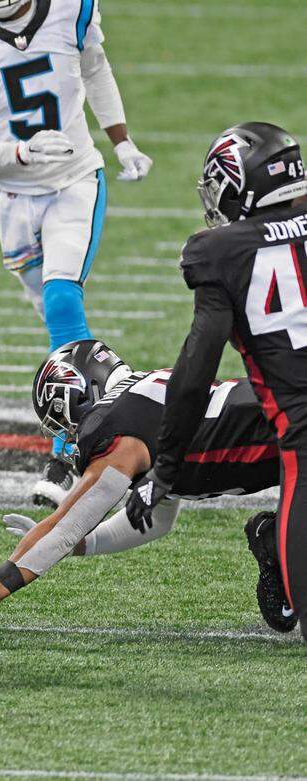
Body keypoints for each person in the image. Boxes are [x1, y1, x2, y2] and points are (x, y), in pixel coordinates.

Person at [0, 0, 153, 507]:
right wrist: (20, 152)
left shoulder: (71, 10)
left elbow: (94, 68)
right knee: (58, 332)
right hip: (10, 197)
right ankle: (132, 415)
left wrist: (121, 142)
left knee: (62, 302)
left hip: (74, 180)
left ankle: (65, 454)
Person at [0, 340, 290, 631]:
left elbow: (63, 527)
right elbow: (154, 521)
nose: (71, 433)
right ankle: (279, 541)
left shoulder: (115, 426)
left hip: (287, 428)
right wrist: (85, 545)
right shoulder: (142, 401)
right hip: (282, 425)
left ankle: (279, 541)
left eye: (62, 420)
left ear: (79, 392)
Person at [125, 123, 307, 641]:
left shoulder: (220, 251)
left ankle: (278, 550)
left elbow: (196, 367)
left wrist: (167, 462)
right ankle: (278, 550)